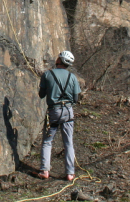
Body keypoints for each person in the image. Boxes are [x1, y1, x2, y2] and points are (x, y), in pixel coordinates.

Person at [37, 51, 81, 181]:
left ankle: (45, 170)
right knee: (68, 142)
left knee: (47, 141)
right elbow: (76, 98)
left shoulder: (47, 74)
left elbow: (41, 95)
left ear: (59, 60)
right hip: (68, 111)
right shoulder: (72, 77)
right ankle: (70, 173)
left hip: (54, 111)